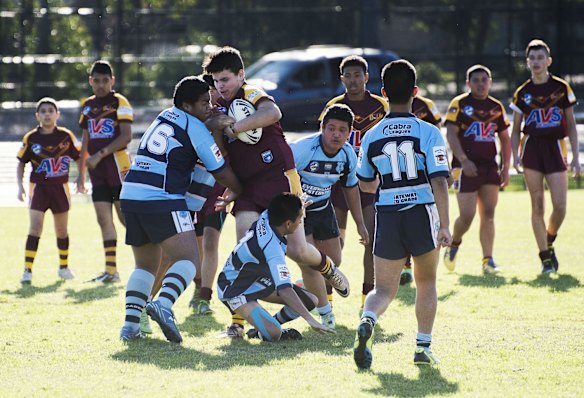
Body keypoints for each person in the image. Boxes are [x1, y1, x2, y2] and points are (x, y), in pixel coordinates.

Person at [203, 46, 350, 338]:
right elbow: (225, 156)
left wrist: (235, 127)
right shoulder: (218, 112)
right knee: (244, 250)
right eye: (217, 81)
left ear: (241, 75)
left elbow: (273, 112)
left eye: (226, 79)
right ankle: (237, 323)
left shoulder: (251, 94)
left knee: (297, 250)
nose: (221, 86)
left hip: (280, 178)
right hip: (250, 188)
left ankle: (327, 267)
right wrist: (232, 189)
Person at [118, 76, 242, 342]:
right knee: (188, 261)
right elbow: (219, 170)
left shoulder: (165, 115)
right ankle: (163, 304)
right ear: (187, 106)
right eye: (203, 103)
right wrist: (242, 191)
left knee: (145, 267)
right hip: (161, 197)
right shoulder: (195, 127)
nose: (209, 106)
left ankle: (130, 327)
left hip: (130, 195)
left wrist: (209, 123)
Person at [352, 60, 452, 369]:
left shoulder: (371, 136)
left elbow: (365, 183)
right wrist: (445, 225)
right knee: (426, 283)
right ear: (415, 92)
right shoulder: (429, 132)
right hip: (421, 213)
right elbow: (438, 179)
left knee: (383, 289)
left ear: (383, 93)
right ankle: (422, 348)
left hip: (389, 215)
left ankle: (368, 318)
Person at [291, 104, 370, 328]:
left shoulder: (347, 155)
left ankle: (304, 284)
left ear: (349, 133)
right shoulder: (303, 149)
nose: (336, 134)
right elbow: (280, 178)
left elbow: (351, 189)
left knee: (333, 261)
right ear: (322, 128)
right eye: (331, 128)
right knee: (307, 260)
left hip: (323, 209)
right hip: (298, 213)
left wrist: (360, 224)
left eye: (342, 130)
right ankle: (326, 315)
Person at [217, 193, 334, 341]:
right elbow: (284, 290)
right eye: (299, 218)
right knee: (274, 334)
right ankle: (268, 329)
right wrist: (310, 319)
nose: (300, 222)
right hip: (234, 289)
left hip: (256, 280)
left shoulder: (268, 216)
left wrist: (299, 206)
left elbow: (283, 207)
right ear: (288, 224)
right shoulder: (273, 249)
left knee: (310, 300)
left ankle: (265, 325)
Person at [320, 55, 386, 310]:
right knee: (333, 242)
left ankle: (365, 301)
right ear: (341, 79)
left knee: (369, 240)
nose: (353, 79)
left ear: (367, 77)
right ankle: (326, 300)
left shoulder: (381, 106)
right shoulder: (334, 106)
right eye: (348, 75)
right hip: (337, 183)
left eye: (358, 75)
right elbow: (323, 141)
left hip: (368, 181)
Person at [510, 39, 580, 274]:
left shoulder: (561, 88)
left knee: (560, 206)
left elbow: (570, 124)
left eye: (541, 57)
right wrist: (515, 156)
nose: (536, 62)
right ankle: (545, 258)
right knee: (537, 204)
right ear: (527, 62)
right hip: (532, 149)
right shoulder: (522, 93)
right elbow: (516, 128)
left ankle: (548, 239)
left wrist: (575, 156)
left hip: (555, 147)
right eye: (532, 58)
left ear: (549, 61)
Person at [443, 65, 511, 274]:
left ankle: (487, 260)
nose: (480, 84)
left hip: (489, 166)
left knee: (489, 213)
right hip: (465, 167)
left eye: (484, 80)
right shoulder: (460, 104)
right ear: (468, 83)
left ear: (490, 83)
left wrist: (505, 167)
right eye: (476, 80)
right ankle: (454, 243)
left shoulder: (496, 106)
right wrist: (464, 160)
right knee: (467, 215)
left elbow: (504, 138)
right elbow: (451, 135)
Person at [76, 60, 133, 283]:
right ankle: (111, 271)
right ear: (90, 81)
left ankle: (155, 259)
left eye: (105, 80)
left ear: (112, 81)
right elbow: (86, 139)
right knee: (103, 218)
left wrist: (101, 154)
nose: (100, 85)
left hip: (118, 168)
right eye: (96, 80)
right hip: (96, 172)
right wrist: (81, 173)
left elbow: (126, 136)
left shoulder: (120, 101)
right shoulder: (88, 106)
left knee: (125, 217)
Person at [17, 98, 81, 284]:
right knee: (35, 228)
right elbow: (21, 163)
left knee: (61, 230)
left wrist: (81, 176)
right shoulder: (31, 138)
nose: (47, 114)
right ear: (37, 115)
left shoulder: (66, 136)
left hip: (60, 188)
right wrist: (20, 185)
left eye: (50, 111)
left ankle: (63, 267)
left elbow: (78, 157)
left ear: (57, 114)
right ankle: (27, 270)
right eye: (43, 111)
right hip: (39, 188)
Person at [189, 73, 230, 316]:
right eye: (205, 97)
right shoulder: (191, 118)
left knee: (211, 242)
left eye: (212, 93)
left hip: (219, 189)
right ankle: (197, 288)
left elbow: (222, 153)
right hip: (194, 190)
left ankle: (205, 296)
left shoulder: (226, 115)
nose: (211, 100)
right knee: (195, 246)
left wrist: (217, 125)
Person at [400, 93, 444, 285]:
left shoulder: (426, 105)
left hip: (425, 168)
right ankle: (406, 265)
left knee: (426, 211)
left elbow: (437, 127)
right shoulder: (391, 105)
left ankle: (425, 264)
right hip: (401, 170)